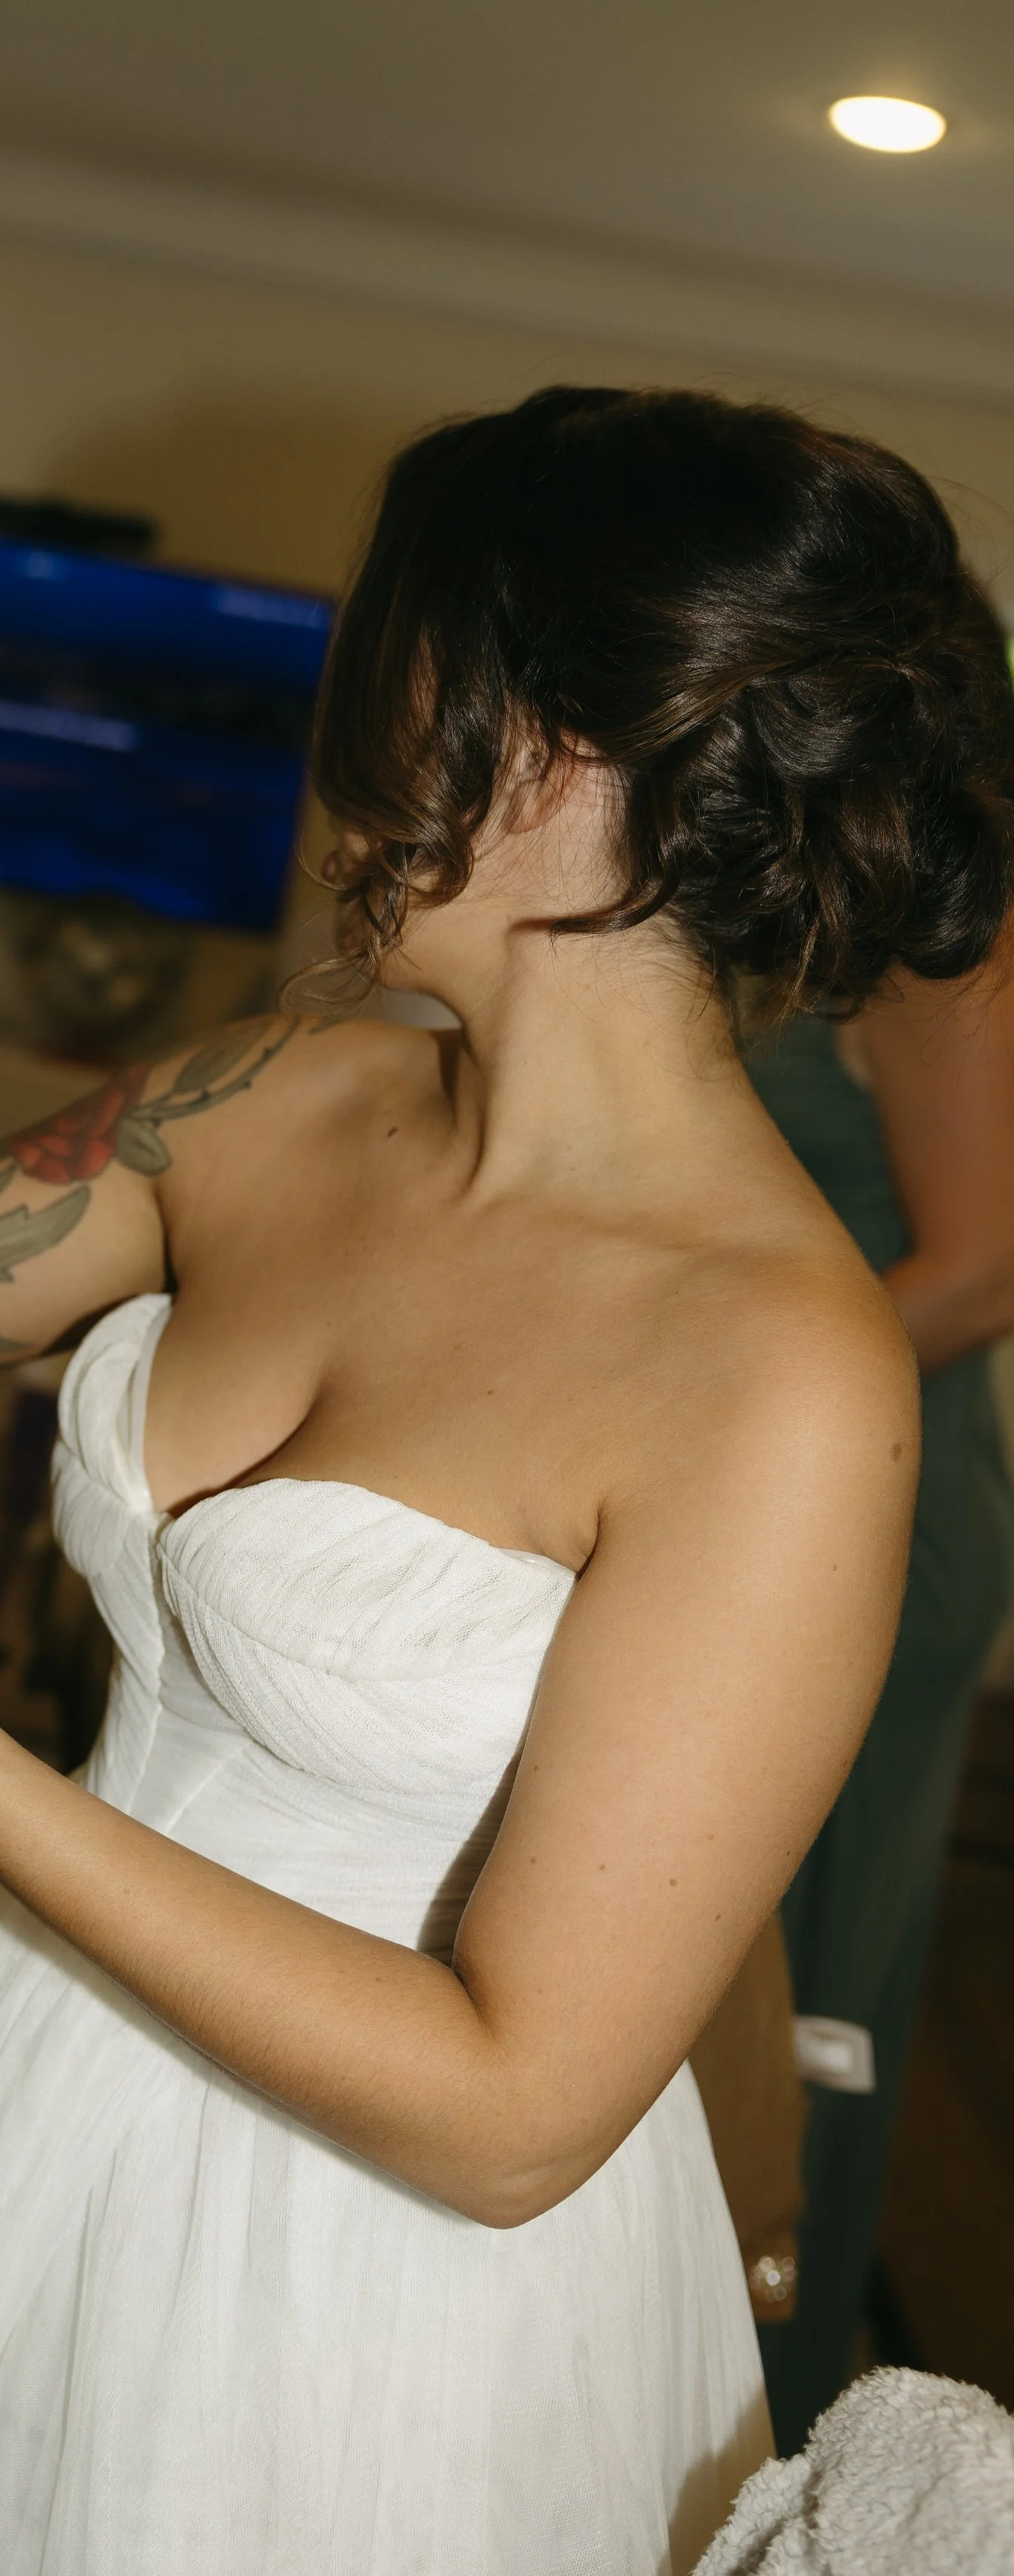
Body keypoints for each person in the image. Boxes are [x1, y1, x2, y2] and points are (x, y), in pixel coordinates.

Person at [0, 387, 1014, 2576]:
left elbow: (509, 2118)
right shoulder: (275, 1094)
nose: (332, 739)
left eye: (385, 662)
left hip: (366, 2303)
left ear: (551, 745)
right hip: (15, 2086)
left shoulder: (780, 1377)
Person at [748, 962, 1014, 2447]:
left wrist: (675, 1393)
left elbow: (980, 1272)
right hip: (755, 1484)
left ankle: (749, 2445)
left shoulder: (949, 929)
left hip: (862, 1513)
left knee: (793, 2008)